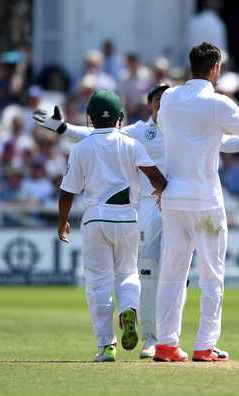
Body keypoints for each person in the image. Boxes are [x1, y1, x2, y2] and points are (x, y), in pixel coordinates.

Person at [34, 83, 239, 359]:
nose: (161, 105)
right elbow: (99, 133)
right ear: (150, 105)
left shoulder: (184, 128)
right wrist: (63, 129)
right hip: (147, 207)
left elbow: (238, 141)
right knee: (146, 271)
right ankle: (151, 339)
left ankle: (162, 340)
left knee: (173, 274)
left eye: (164, 100)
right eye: (157, 100)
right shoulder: (137, 134)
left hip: (173, 203)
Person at [155, 42, 239, 362]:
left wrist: (212, 137)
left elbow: (174, 132)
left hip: (173, 196)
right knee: (212, 274)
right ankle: (205, 344)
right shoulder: (219, 103)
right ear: (216, 68)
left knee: (172, 273)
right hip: (204, 199)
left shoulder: (169, 98)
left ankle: (166, 344)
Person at [57, 90, 167, 362]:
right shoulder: (131, 143)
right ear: (121, 117)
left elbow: (67, 191)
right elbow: (156, 177)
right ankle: (129, 307)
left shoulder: (81, 148)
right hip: (128, 218)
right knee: (129, 273)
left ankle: (106, 345)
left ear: (89, 119)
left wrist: (62, 223)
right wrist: (163, 192)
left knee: (98, 283)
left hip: (95, 219)